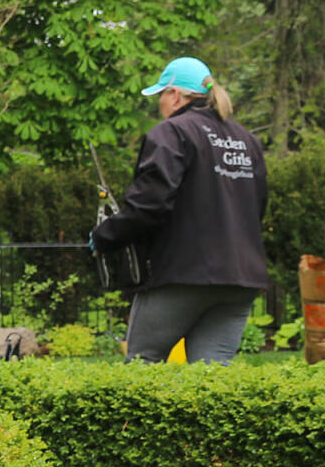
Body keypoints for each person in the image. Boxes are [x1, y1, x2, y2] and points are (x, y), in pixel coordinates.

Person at [91, 56, 268, 364]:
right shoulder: (246, 140)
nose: (159, 102)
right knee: (210, 375)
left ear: (175, 95)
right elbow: (258, 207)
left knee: (143, 364)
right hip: (241, 277)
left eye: (161, 94)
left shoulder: (171, 133)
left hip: (184, 274)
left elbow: (150, 204)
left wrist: (105, 236)